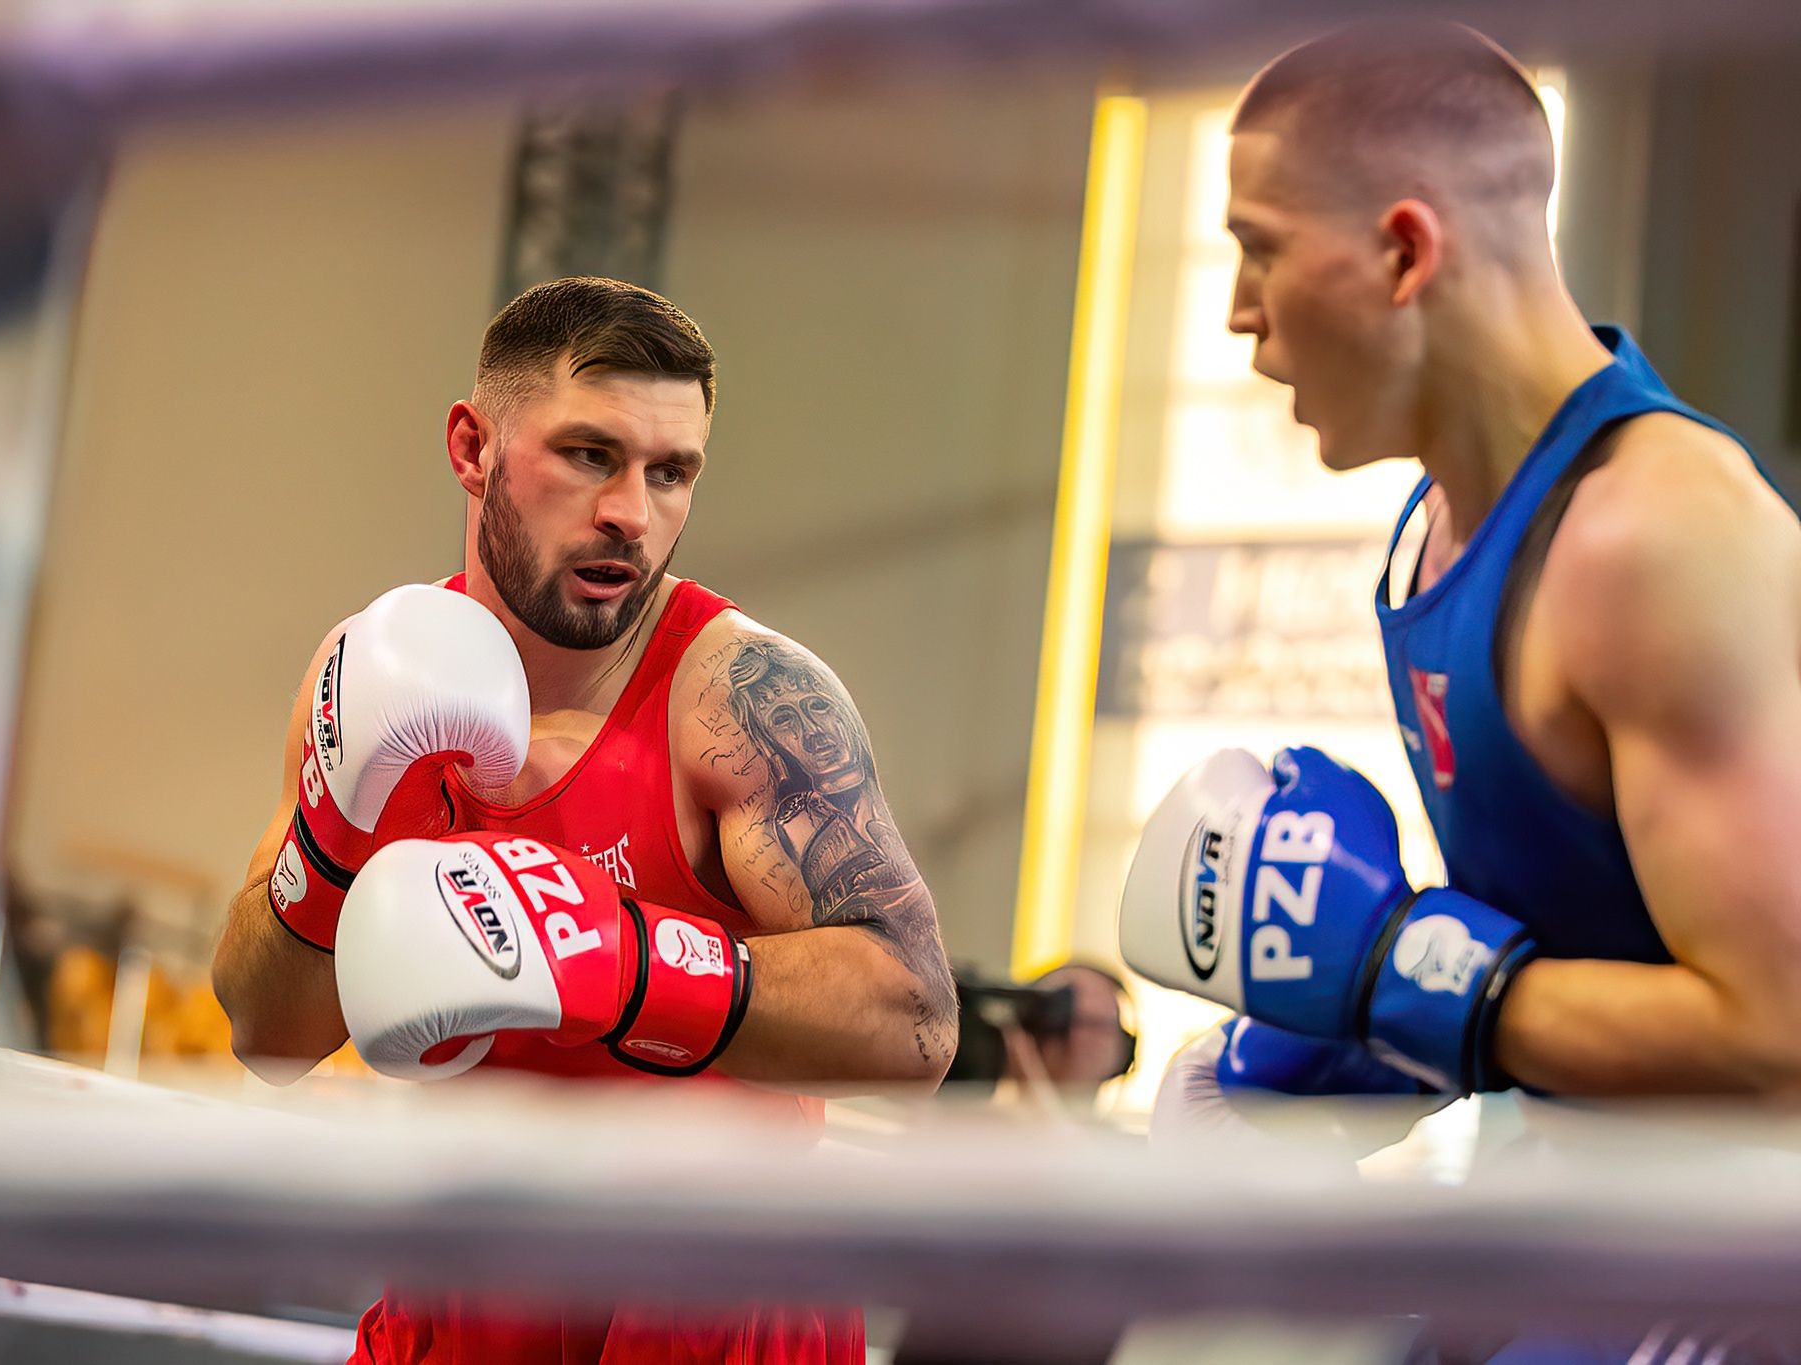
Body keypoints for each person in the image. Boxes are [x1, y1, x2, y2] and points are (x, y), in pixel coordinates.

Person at [1117, 22, 1801, 1362]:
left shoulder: (1650, 537)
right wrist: (1354, 1040)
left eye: (1257, 249)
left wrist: (1399, 977)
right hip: (1599, 1205)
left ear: (1403, 250)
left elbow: (1782, 1036)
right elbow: (1606, 941)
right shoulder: (1441, 523)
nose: (1239, 317)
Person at [212, 276, 955, 1365]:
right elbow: (264, 1033)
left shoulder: (736, 699)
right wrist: (336, 834)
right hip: (464, 1287)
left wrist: (628, 963)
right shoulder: (370, 676)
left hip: (709, 1298)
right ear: (472, 447)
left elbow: (916, 1023)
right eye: (590, 455)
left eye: (671, 472)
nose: (631, 513)